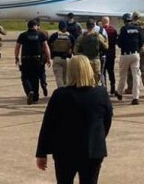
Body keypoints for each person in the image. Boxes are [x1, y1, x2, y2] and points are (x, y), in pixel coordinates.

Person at [36, 55, 113, 184]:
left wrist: (41, 153)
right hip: (92, 149)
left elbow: (48, 125)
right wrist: (98, 137)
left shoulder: (60, 95)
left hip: (65, 151)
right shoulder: (101, 94)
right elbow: (107, 121)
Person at [15, 20, 51, 105]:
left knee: (25, 77)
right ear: (35, 26)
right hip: (37, 60)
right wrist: (48, 58)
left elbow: (17, 47)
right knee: (35, 79)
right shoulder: (41, 35)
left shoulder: (23, 35)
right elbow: (46, 47)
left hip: (26, 60)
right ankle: (35, 98)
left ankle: (29, 91)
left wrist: (16, 57)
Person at [115, 13, 143, 105]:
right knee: (136, 76)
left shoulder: (123, 29)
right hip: (135, 54)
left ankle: (119, 92)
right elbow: (141, 41)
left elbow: (119, 43)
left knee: (123, 75)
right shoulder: (138, 29)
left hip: (125, 54)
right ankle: (136, 97)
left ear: (124, 21)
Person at [126, 11, 144, 97]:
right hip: (143, 49)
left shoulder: (130, 25)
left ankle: (130, 88)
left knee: (131, 69)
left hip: (133, 49)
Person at [75, 19, 108, 86]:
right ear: (94, 26)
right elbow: (106, 47)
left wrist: (82, 54)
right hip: (96, 60)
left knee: (86, 79)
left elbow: (75, 50)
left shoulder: (81, 36)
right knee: (97, 81)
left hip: (85, 61)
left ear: (86, 26)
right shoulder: (98, 36)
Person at [48, 21, 75, 88]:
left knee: (59, 78)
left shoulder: (54, 35)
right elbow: (74, 47)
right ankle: (66, 91)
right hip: (67, 59)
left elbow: (48, 45)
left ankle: (61, 90)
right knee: (66, 78)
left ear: (59, 27)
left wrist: (51, 55)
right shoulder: (70, 36)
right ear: (66, 27)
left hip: (56, 58)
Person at [102, 17, 118, 95]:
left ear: (102, 22)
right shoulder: (113, 30)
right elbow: (115, 42)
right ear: (109, 22)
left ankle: (104, 88)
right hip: (111, 53)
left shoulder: (101, 30)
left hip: (103, 53)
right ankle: (113, 87)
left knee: (103, 71)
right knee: (111, 71)